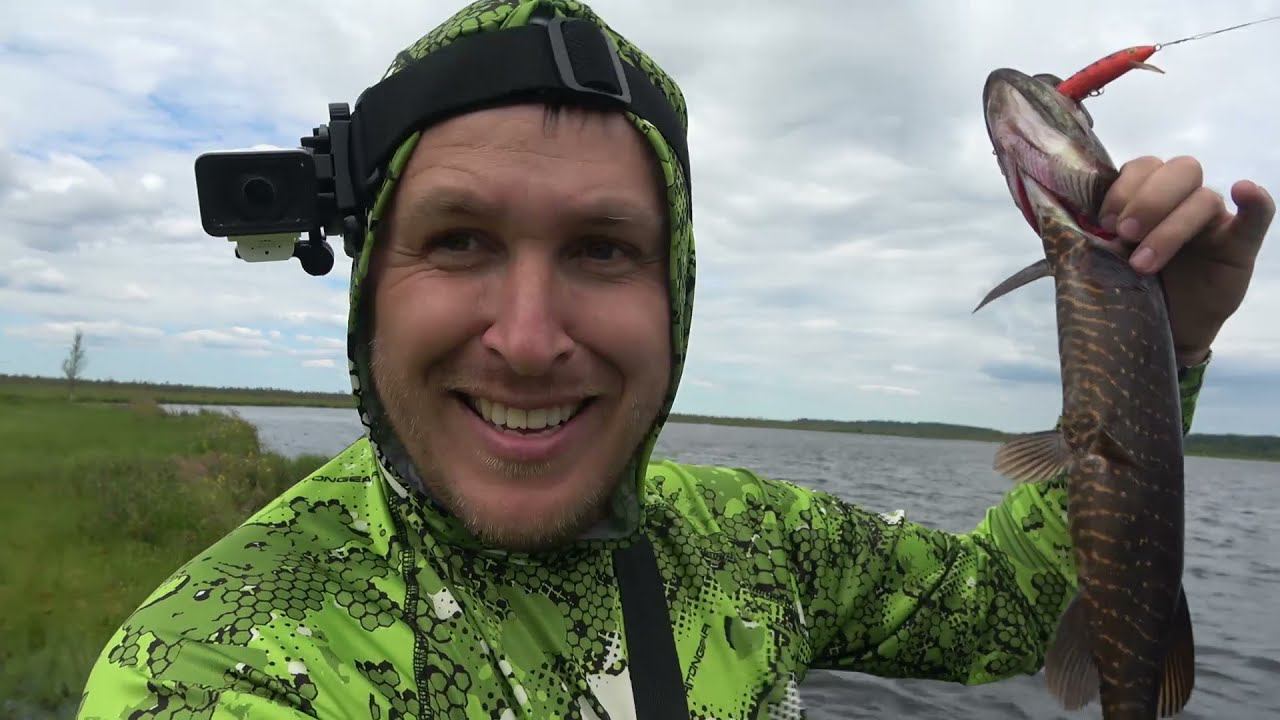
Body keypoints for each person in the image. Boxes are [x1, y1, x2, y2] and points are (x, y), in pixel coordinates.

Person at [77, 1, 1273, 718]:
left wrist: (1160, 348)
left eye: (602, 249)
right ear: (371, 281)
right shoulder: (217, 668)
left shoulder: (749, 542)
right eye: (458, 241)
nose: (528, 338)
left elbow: (1010, 610)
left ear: (675, 292)